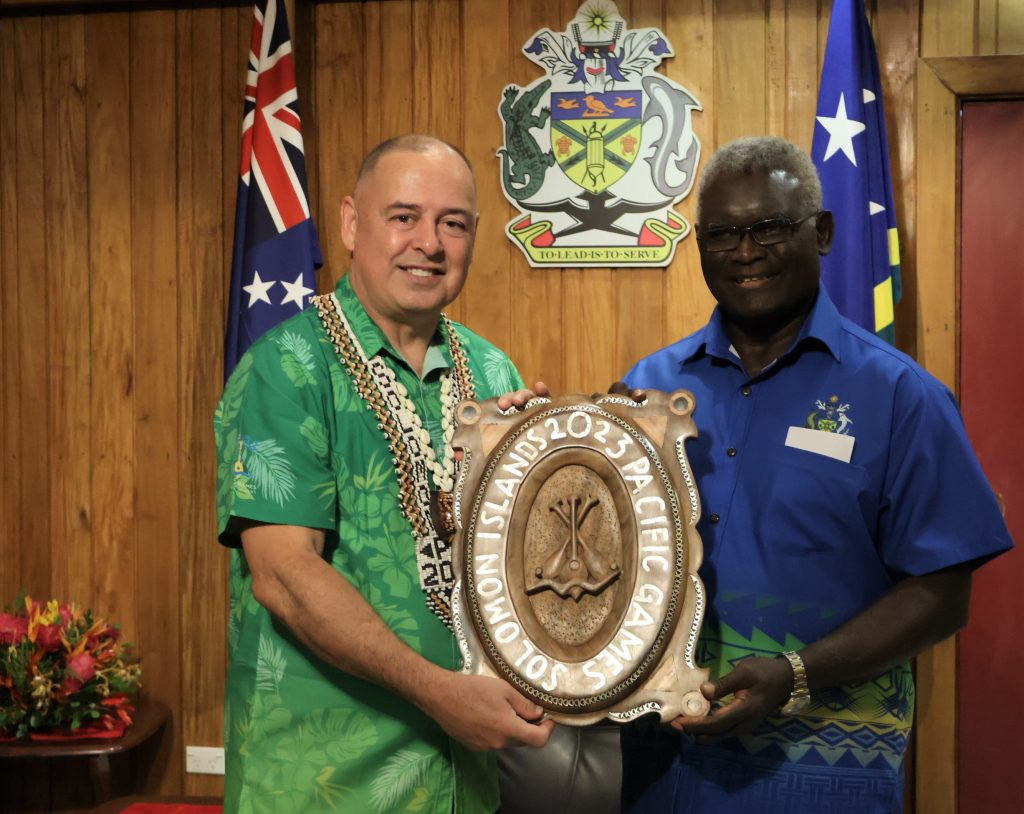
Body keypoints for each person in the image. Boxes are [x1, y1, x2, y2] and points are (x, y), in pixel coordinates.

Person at [619, 136, 1012, 814]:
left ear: (822, 232)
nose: (745, 252)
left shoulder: (900, 395)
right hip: (664, 774)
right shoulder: (647, 388)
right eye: (722, 235)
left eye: (770, 227)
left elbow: (945, 594)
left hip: (829, 776)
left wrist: (796, 674)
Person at [213, 135, 553, 814]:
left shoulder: (493, 372)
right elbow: (285, 577)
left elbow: (521, 568)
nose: (429, 242)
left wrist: (543, 471)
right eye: (403, 216)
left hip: (465, 781)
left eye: (452, 224)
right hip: (324, 785)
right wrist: (440, 693)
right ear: (350, 224)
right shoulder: (286, 367)